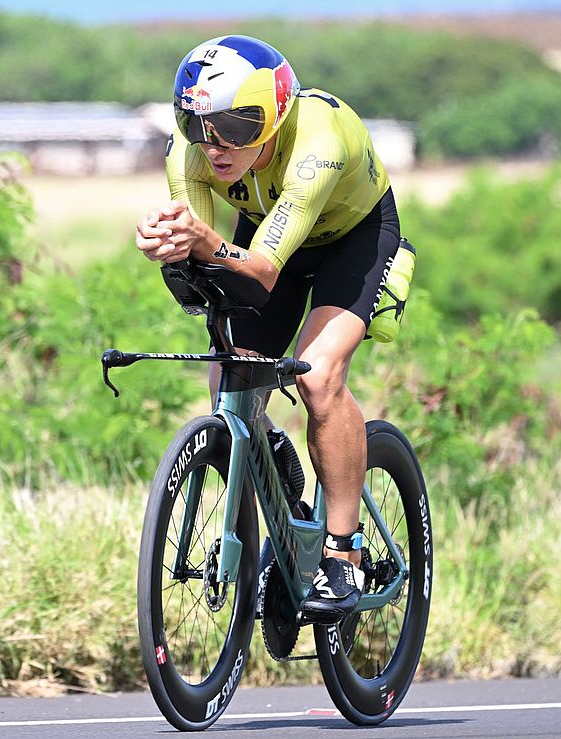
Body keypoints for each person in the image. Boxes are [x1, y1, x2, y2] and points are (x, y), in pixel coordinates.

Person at [134, 35, 401, 624]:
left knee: (318, 376)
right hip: (264, 234)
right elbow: (207, 270)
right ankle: (267, 492)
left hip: (350, 241)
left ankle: (343, 551)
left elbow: (258, 274)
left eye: (238, 124)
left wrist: (204, 242)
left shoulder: (317, 145)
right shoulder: (189, 153)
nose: (217, 144)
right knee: (229, 375)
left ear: (277, 113)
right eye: (200, 123)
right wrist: (168, 249)